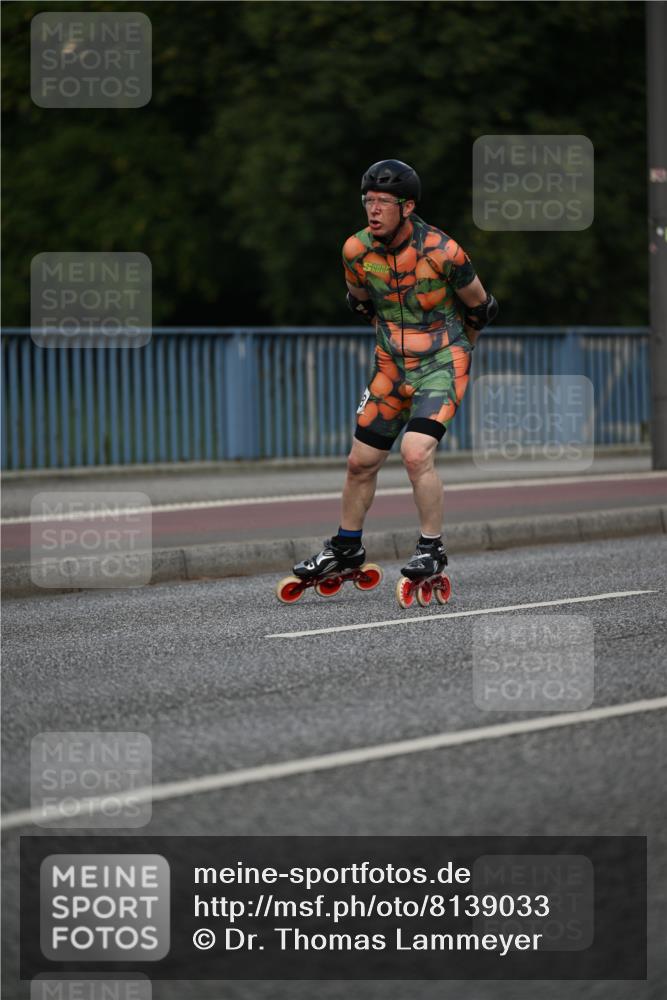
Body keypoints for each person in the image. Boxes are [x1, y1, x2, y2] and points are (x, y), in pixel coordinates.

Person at [293, 159, 497, 588]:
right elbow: (359, 302)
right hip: (390, 365)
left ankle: (431, 548)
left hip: (441, 363)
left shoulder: (442, 251)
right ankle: (346, 548)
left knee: (415, 453)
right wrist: (390, 341)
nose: (373, 209)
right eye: (368, 200)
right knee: (360, 463)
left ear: (407, 207)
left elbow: (481, 306)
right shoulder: (356, 250)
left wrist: (462, 351)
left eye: (384, 202)